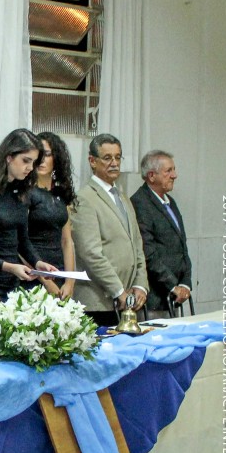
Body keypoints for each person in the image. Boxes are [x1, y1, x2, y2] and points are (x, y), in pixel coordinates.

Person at [0, 129, 57, 312]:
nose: (30, 168)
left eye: (33, 162)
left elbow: (22, 240)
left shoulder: (21, 191)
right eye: (25, 161)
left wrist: (38, 263)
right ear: (9, 157)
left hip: (12, 282)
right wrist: (8, 267)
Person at [71, 133, 148, 326]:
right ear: (92, 161)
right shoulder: (84, 199)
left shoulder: (123, 198)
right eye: (107, 158)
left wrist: (140, 285)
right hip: (98, 302)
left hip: (127, 300)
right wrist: (118, 291)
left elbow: (137, 245)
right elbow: (90, 253)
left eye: (118, 157)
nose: (114, 163)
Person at [131, 150, 192, 318]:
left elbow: (182, 246)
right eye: (168, 171)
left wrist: (186, 283)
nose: (174, 175)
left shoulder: (170, 202)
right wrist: (172, 285)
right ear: (152, 176)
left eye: (174, 169)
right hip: (154, 299)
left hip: (174, 297)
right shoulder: (140, 203)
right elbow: (147, 252)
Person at [28, 131, 77, 300]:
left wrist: (70, 281)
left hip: (59, 271)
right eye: (39, 155)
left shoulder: (61, 193)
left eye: (47, 155)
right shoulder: (26, 193)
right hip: (33, 273)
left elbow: (67, 241)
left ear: (56, 158)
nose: (42, 160)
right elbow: (20, 242)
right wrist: (45, 281)